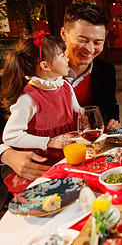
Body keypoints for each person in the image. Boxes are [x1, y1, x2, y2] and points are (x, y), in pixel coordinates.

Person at [0, 3, 121, 182]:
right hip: (35, 165)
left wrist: (112, 122)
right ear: (64, 34)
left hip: (81, 160)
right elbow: (8, 132)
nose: (89, 49)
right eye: (82, 40)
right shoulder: (24, 77)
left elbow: (110, 107)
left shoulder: (106, 71)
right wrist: (6, 155)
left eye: (97, 42)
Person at [0, 32, 81, 193]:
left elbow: (80, 114)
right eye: (61, 56)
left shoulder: (65, 87)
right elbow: (10, 135)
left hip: (69, 157)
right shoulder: (28, 99)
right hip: (43, 167)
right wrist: (48, 141)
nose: (67, 59)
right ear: (45, 66)